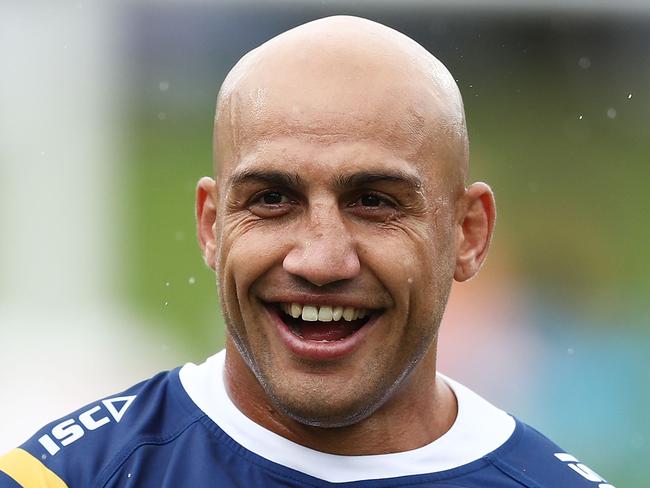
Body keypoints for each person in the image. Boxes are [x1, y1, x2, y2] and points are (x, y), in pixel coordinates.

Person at [0, 15, 613, 488]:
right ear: (212, 227)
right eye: (272, 198)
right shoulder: (70, 475)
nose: (320, 260)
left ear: (468, 234)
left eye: (374, 201)